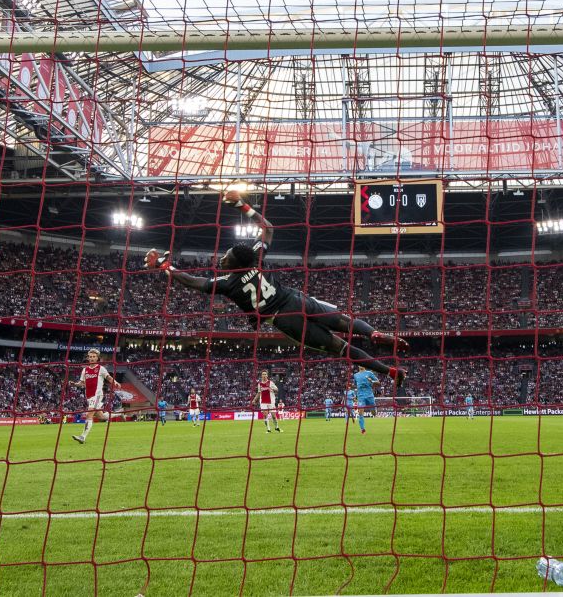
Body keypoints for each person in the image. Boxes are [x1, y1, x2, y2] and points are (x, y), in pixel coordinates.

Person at [144, 190, 408, 386]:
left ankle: (390, 372)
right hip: (295, 300)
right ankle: (374, 334)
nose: (221, 258)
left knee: (342, 348)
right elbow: (268, 227)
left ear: (234, 263)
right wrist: (242, 206)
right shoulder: (256, 260)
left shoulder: (227, 284)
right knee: (346, 322)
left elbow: (195, 282)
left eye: (225, 257)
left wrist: (166, 267)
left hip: (284, 320)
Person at [71, 349, 121, 445]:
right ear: (88, 358)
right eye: (90, 357)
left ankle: (83, 436)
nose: (92, 358)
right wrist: (74, 384)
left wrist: (115, 382)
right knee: (101, 417)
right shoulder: (85, 370)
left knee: (89, 414)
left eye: (94, 357)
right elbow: (82, 383)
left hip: (97, 395)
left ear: (97, 358)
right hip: (89, 396)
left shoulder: (101, 368)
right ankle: (119, 413)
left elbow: (108, 377)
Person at [353, 367, 379, 435]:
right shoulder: (355, 375)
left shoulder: (369, 373)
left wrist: (372, 381)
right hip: (361, 396)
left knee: (373, 413)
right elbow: (355, 385)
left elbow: (378, 382)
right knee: (360, 412)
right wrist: (356, 395)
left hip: (369, 395)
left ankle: (374, 411)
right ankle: (363, 429)